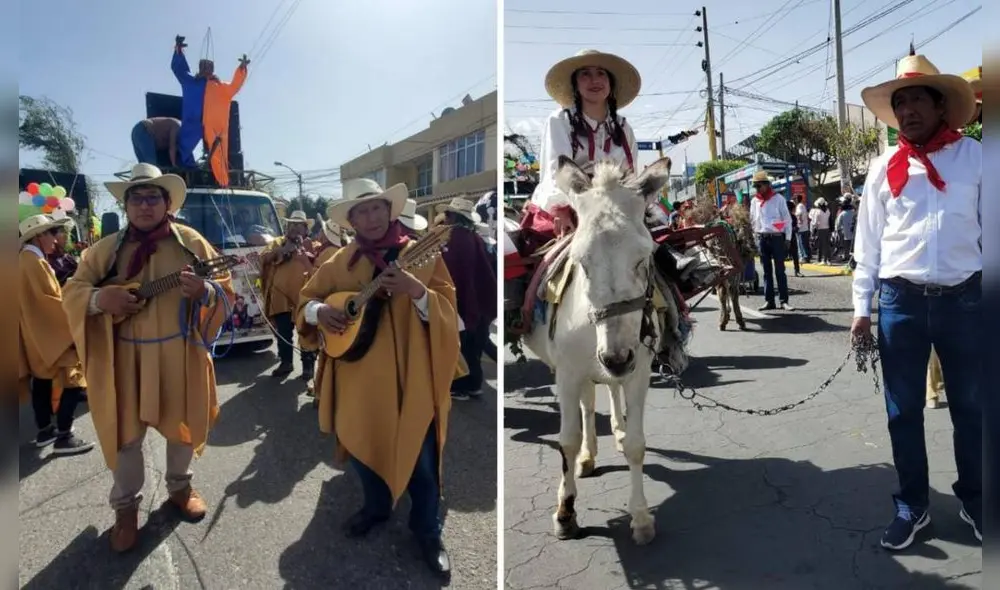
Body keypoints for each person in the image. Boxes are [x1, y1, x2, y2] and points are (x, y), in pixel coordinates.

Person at [62, 163, 235, 552]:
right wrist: (97, 299)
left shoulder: (192, 241)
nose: (144, 205)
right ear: (125, 206)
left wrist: (205, 292)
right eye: (135, 198)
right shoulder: (104, 250)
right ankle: (125, 510)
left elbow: (224, 289)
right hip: (124, 361)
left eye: (152, 197)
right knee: (126, 439)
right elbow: (71, 292)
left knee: (183, 428)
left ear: (167, 202)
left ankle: (180, 487)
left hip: (180, 352)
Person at [295, 178, 461, 577]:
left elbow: (450, 315)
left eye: (377, 208)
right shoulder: (338, 262)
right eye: (361, 211)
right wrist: (321, 312)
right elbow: (306, 300)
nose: (370, 217)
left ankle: (427, 529)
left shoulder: (420, 254)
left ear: (389, 211)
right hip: (357, 377)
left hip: (411, 377)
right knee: (361, 443)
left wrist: (417, 292)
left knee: (421, 461)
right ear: (350, 219)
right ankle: (376, 506)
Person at [851, 49, 980, 550]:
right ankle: (913, 505)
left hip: (966, 301)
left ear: (941, 106)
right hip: (899, 302)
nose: (907, 110)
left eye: (917, 100)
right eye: (900, 102)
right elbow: (869, 245)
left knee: (971, 408)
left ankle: (976, 499)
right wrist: (862, 309)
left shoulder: (977, 158)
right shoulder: (884, 167)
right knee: (903, 411)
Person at [521, 49, 641, 242]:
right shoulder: (560, 121)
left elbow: (631, 175)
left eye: (601, 73)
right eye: (585, 74)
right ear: (575, 84)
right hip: (571, 204)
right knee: (538, 256)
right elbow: (556, 171)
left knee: (655, 241)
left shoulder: (624, 127)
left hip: (616, 207)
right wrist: (561, 208)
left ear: (610, 83)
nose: (594, 80)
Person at [19, 214, 94, 455]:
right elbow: (51, 302)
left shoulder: (24, 259)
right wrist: (75, 307)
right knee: (75, 379)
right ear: (39, 236)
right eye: (52, 233)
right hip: (50, 332)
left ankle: (45, 431)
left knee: (41, 382)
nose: (56, 238)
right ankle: (64, 435)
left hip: (35, 334)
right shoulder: (35, 262)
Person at [438, 197, 497, 401]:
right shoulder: (474, 237)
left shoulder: (453, 238)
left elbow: (449, 273)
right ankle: (473, 385)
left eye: (447, 215)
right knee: (474, 347)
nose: (445, 218)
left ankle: (462, 386)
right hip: (478, 301)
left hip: (462, 301)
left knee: (461, 346)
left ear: (454, 216)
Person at [257, 210, 318, 383]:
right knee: (283, 332)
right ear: (287, 227)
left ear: (306, 230)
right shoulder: (276, 243)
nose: (295, 229)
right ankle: (285, 363)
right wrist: (282, 250)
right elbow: (263, 259)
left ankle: (308, 367)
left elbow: (321, 268)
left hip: (305, 298)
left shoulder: (313, 246)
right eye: (292, 225)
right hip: (280, 298)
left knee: (307, 331)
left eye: (299, 225)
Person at [748, 170, 794, 311]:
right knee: (766, 271)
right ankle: (769, 301)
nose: (757, 189)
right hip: (762, 239)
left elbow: (787, 219)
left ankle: (783, 301)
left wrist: (787, 238)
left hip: (777, 239)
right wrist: (752, 238)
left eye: (759, 186)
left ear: (767, 185)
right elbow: (752, 220)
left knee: (780, 270)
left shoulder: (778, 198)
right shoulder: (754, 201)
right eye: (755, 186)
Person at [46, 217, 79, 285]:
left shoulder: (66, 256)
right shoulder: (48, 260)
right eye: (61, 231)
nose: (66, 235)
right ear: (52, 236)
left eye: (66, 231)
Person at [809, 198, 832, 264]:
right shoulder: (828, 211)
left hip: (820, 230)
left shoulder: (818, 212)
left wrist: (813, 229)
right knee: (827, 245)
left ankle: (823, 260)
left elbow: (815, 223)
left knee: (820, 245)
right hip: (827, 229)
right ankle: (828, 259)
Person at [834, 196, 856, 262]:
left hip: (845, 233)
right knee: (853, 246)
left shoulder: (842, 214)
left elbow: (837, 224)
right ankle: (852, 258)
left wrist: (837, 231)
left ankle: (847, 257)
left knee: (846, 246)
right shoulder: (854, 212)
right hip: (854, 233)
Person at [786, 199, 803, 277]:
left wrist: (796, 228)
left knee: (795, 255)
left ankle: (797, 270)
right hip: (784, 238)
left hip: (792, 238)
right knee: (782, 255)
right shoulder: (782, 217)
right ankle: (781, 271)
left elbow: (796, 226)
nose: (793, 210)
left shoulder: (793, 217)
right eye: (792, 208)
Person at [793, 195, 811, 262]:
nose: (794, 200)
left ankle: (804, 257)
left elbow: (799, 215)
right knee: (805, 243)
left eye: (795, 199)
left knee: (801, 244)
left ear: (797, 199)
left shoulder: (799, 206)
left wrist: (799, 224)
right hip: (805, 228)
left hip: (801, 228)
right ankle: (807, 257)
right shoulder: (802, 205)